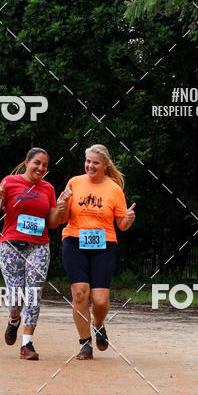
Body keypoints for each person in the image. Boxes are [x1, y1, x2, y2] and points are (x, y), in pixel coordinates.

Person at [57, 144, 136, 360]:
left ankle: (98, 324)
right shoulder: (75, 182)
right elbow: (62, 218)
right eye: (88, 161)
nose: (90, 165)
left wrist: (127, 220)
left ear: (105, 164)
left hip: (104, 245)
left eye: (95, 162)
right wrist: (62, 204)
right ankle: (85, 343)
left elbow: (121, 224)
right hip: (74, 241)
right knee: (80, 293)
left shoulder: (114, 189)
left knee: (100, 301)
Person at [0, 147, 64, 360]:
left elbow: (52, 223)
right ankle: (13, 320)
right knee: (16, 297)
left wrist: (61, 207)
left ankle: (27, 344)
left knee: (34, 292)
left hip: (38, 246)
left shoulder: (48, 188)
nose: (41, 168)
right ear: (27, 162)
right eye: (37, 163)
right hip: (11, 245)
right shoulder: (10, 182)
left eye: (45, 165)